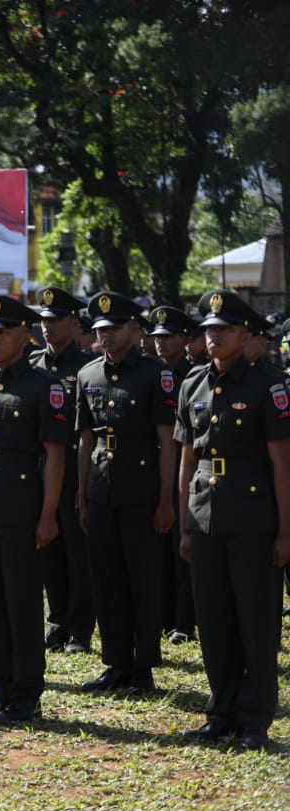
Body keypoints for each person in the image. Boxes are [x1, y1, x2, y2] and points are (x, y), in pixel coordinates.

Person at [176, 290, 290, 752]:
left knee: (256, 621)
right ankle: (220, 712)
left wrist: (285, 532)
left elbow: (282, 464)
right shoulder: (192, 385)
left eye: (224, 329)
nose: (214, 336)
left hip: (254, 519)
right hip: (205, 516)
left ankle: (255, 718)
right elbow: (187, 459)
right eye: (209, 329)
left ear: (245, 335)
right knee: (214, 619)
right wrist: (185, 524)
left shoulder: (268, 386)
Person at [0, 295, 66, 722]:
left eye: (3, 332)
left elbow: (54, 454)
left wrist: (48, 514)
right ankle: (1, 685)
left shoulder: (44, 386)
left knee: (21, 600)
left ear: (25, 335)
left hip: (22, 506)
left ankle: (26, 693)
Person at [75, 291, 176, 696]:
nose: (107, 335)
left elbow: (167, 442)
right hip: (102, 489)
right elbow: (85, 441)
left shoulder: (155, 374)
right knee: (107, 578)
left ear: (135, 329)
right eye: (101, 329)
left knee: (142, 579)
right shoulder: (88, 375)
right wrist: (82, 495)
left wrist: (166, 500)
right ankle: (116, 662)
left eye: (115, 328)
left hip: (141, 490)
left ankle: (143, 666)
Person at [30, 286, 96, 654]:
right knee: (48, 552)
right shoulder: (32, 364)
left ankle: (80, 629)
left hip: (72, 472)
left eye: (55, 320)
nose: (48, 326)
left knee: (78, 554)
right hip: (39, 473)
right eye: (44, 320)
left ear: (74, 323)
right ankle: (57, 621)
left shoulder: (87, 366)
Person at [148, 305, 200, 644]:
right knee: (157, 552)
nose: (161, 343)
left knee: (182, 547)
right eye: (157, 337)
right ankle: (163, 616)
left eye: (168, 337)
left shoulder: (194, 376)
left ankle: (184, 620)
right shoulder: (149, 372)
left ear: (185, 338)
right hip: (150, 467)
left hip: (185, 465)